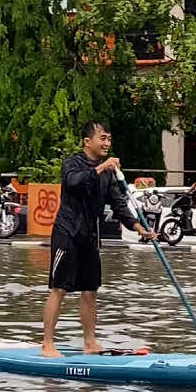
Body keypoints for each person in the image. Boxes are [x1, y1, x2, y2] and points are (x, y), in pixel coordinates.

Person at [41, 119, 156, 358]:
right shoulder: (72, 163)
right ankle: (47, 344)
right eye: (102, 138)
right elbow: (73, 182)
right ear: (87, 141)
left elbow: (118, 204)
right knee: (59, 288)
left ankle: (90, 342)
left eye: (109, 139)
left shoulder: (107, 174)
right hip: (67, 232)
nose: (107, 143)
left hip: (90, 236)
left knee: (90, 290)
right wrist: (103, 168)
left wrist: (138, 227)